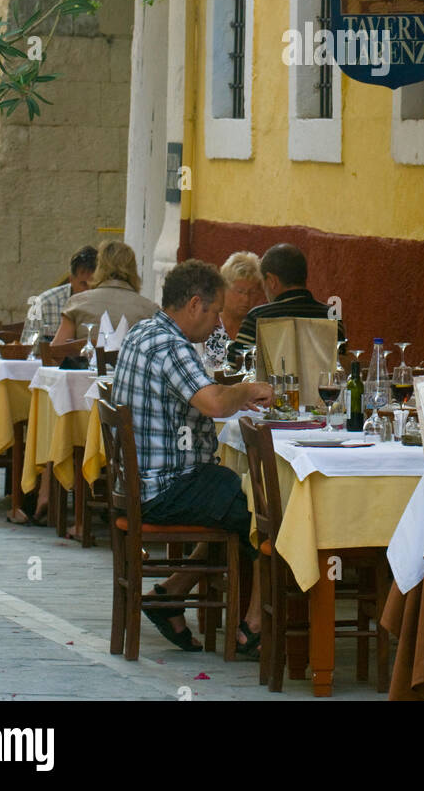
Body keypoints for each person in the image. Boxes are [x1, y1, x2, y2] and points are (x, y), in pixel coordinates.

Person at [111, 259, 273, 655]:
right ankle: (257, 621)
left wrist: (228, 389)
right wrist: (249, 390)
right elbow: (215, 405)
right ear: (196, 304)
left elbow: (200, 392)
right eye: (216, 311)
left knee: (232, 500)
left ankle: (170, 594)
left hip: (140, 483)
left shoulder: (144, 332)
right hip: (166, 488)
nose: (218, 323)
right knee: (263, 505)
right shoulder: (171, 345)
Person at [232, 243, 344, 358]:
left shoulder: (257, 317)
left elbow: (236, 368)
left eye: (263, 283)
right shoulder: (332, 316)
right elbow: (342, 365)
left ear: (272, 281)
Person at [52, 240, 158, 347]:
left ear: (99, 267)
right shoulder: (150, 311)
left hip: (88, 363)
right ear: (133, 270)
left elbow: (57, 351)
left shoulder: (77, 303)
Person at [201, 251, 264, 365]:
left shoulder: (259, 329)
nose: (246, 299)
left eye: (253, 292)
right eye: (240, 291)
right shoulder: (206, 325)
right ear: (224, 289)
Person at [27, 246, 97, 342]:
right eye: (83, 284)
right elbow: (28, 349)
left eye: (94, 285)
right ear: (71, 280)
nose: (89, 290)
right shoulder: (45, 304)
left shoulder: (105, 303)